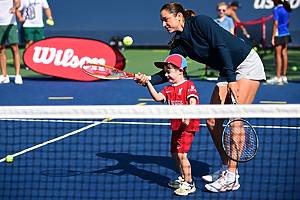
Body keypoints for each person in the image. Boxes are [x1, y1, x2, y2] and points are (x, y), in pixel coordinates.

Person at [134, 2, 266, 192]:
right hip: (227, 70)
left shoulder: (201, 22)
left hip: (245, 64)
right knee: (212, 121)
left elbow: (221, 46)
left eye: (166, 19)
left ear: (179, 16)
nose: (164, 24)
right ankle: (225, 167)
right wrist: (147, 80)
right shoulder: (179, 43)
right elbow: (169, 72)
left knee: (235, 119)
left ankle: (232, 176)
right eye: (161, 21)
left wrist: (231, 79)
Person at [145, 54, 199, 196]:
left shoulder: (189, 85)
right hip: (176, 125)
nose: (166, 74)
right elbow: (157, 98)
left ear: (180, 71)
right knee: (174, 154)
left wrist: (188, 115)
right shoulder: (168, 89)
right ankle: (183, 178)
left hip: (187, 126)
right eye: (165, 72)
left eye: (169, 71)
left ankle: (189, 183)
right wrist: (148, 83)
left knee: (182, 155)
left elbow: (192, 101)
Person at [266, 0, 292, 85]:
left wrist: (273, 37)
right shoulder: (286, 8)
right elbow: (287, 22)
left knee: (278, 55)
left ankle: (278, 77)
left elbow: (276, 24)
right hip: (286, 33)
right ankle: (284, 76)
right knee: (284, 54)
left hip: (279, 34)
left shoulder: (276, 9)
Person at [0, 0, 23, 84]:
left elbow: (18, 2)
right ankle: (4, 76)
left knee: (15, 48)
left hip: (11, 24)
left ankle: (17, 75)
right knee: (1, 49)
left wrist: (15, 7)